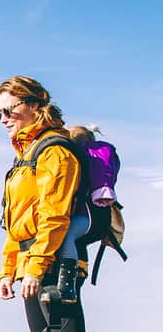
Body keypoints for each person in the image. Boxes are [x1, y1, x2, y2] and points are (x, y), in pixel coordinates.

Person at [0, 76, 103, 332]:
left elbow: (54, 216)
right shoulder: (23, 155)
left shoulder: (54, 151)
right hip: (30, 265)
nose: (4, 117)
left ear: (35, 105)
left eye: (9, 109)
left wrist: (37, 268)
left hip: (57, 262)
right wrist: (7, 271)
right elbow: (16, 224)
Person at [39, 124, 121, 304]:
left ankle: (66, 288)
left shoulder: (83, 154)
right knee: (71, 237)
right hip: (93, 217)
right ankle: (76, 272)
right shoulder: (97, 155)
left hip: (87, 216)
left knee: (67, 235)